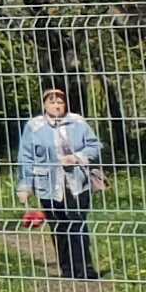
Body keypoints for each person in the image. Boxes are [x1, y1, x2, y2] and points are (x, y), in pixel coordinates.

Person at [22, 87, 106, 280]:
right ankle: (67, 269)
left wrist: (76, 158)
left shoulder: (77, 122)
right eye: (52, 102)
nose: (57, 105)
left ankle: (85, 269)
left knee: (77, 224)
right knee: (59, 226)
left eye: (60, 101)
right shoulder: (34, 126)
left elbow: (94, 146)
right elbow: (26, 156)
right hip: (48, 184)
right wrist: (24, 185)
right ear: (44, 105)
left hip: (77, 182)